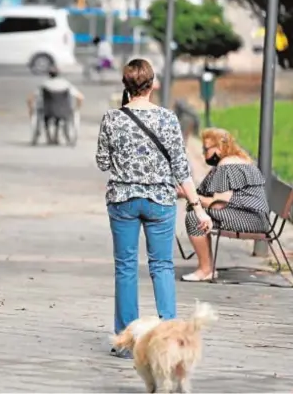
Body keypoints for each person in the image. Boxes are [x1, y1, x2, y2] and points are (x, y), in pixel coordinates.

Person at [95, 58, 213, 358]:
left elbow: (103, 163)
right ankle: (169, 340)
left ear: (126, 85)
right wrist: (197, 206)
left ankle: (126, 342)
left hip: (122, 200)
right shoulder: (168, 119)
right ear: (152, 84)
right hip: (160, 201)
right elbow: (181, 168)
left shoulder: (112, 118)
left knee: (125, 268)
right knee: (161, 266)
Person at [179, 128, 271, 282]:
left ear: (220, 148)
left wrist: (189, 196)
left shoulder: (226, 165)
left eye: (206, 149)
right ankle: (207, 267)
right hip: (256, 218)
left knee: (195, 218)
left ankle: (205, 269)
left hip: (248, 219)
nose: (203, 153)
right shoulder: (240, 161)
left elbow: (219, 204)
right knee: (200, 215)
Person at [27, 67, 84, 143]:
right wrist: (77, 108)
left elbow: (30, 98)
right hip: (64, 111)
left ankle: (49, 137)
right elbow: (80, 97)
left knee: (44, 115)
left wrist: (31, 109)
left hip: (48, 111)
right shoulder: (66, 84)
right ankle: (57, 137)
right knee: (61, 115)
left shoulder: (44, 85)